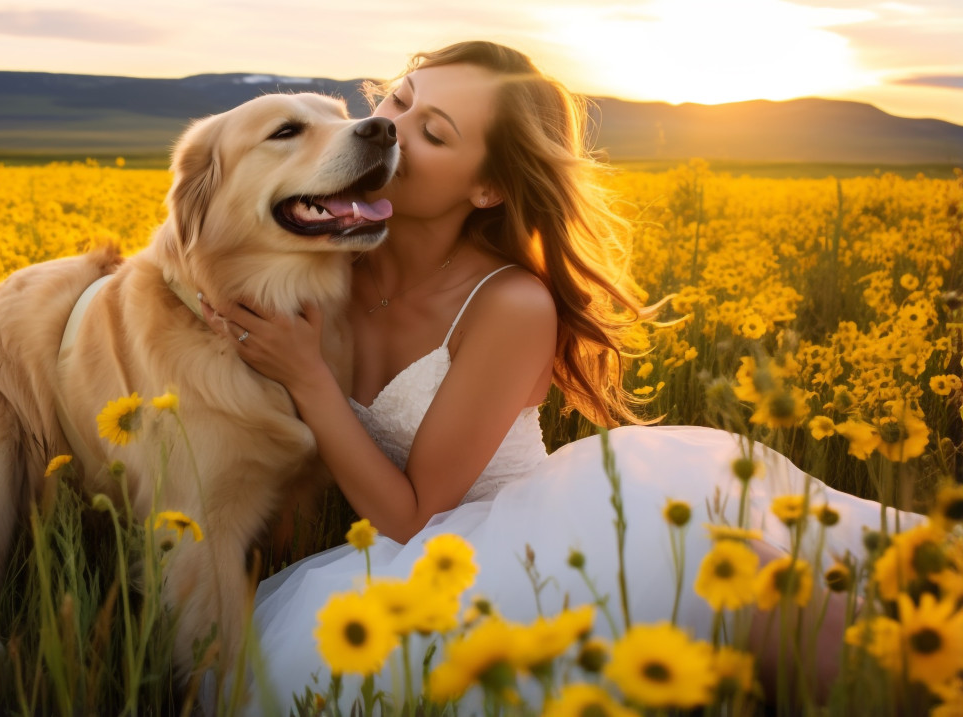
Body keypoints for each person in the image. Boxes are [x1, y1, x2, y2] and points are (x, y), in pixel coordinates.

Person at [198, 41, 923, 712]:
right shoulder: (320, 258)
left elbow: (418, 515)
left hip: (518, 538)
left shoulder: (510, 303)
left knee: (750, 590)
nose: (391, 128)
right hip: (391, 562)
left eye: (434, 132)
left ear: (487, 188)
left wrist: (310, 381)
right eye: (398, 100)